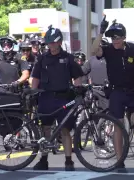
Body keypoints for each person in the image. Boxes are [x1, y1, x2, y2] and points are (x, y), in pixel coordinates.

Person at [91, 16, 134, 171]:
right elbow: (94, 50)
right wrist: (100, 32)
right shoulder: (107, 50)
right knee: (118, 125)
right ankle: (120, 160)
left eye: (118, 37)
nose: (115, 41)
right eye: (112, 38)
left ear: (124, 37)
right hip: (116, 92)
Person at [31, 25, 84, 171]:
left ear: (60, 42)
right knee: (45, 129)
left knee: (65, 130)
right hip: (46, 98)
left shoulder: (68, 58)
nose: (51, 46)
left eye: (54, 42)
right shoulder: (42, 58)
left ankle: (68, 161)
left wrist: (79, 89)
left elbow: (77, 77)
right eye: (49, 43)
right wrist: (32, 93)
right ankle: (43, 160)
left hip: (64, 98)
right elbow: (35, 78)